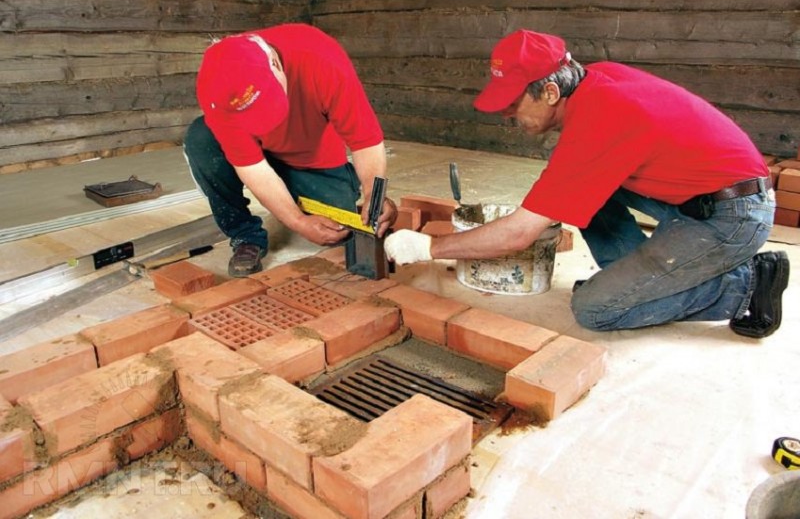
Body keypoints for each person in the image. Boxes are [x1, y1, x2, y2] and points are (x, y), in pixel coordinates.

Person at [385, 29, 789, 338]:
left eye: (512, 104)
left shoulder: (601, 118)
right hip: (697, 196)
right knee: (574, 193)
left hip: (732, 216)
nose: (506, 114)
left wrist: (428, 247)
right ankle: (633, 278)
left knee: (596, 309)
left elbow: (518, 235)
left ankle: (745, 285)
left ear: (548, 91)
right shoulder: (594, 84)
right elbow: (561, 193)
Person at [185, 23, 397, 277]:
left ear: (274, 63)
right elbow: (253, 169)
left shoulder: (321, 59)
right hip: (260, 156)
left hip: (310, 155)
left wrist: (374, 191)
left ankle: (340, 181)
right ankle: (245, 235)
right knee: (201, 139)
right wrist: (297, 221)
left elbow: (365, 140)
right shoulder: (218, 92)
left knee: (341, 229)